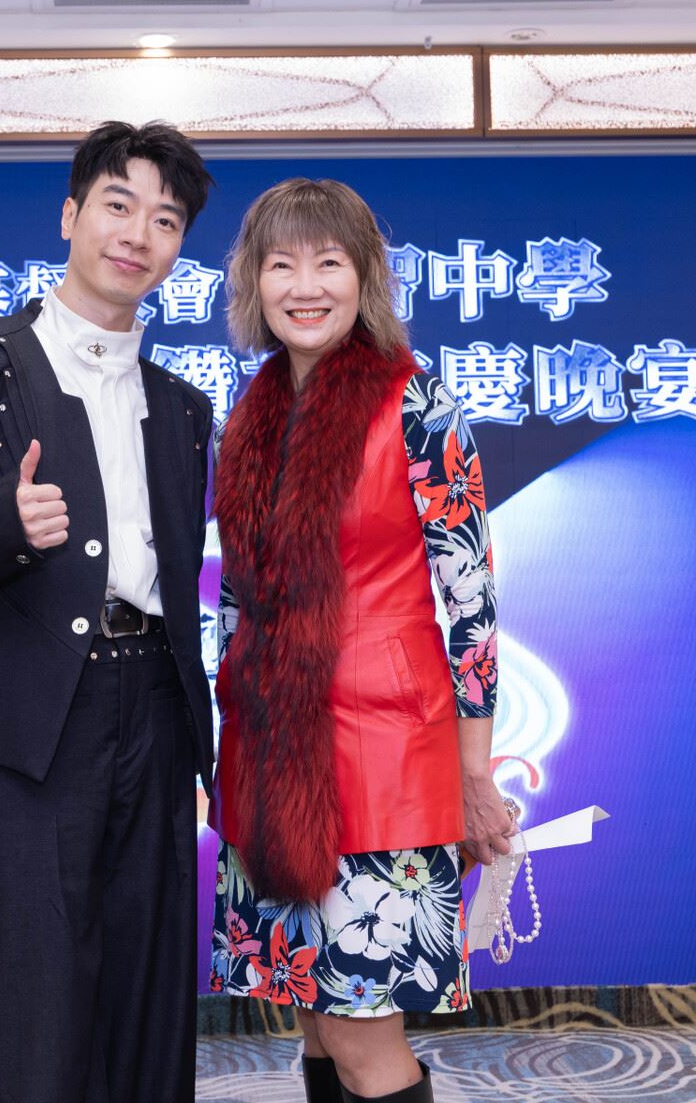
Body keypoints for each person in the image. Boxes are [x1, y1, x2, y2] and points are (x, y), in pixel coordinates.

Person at [0, 121, 215, 1103]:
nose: (137, 234)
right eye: (117, 205)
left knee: (150, 985)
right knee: (35, 985)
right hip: (35, 717)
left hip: (156, 706)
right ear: (69, 215)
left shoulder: (182, 407)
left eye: (165, 219)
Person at [208, 178, 518, 1103]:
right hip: (269, 757)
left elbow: (471, 603)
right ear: (253, 282)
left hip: (381, 755)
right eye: (281, 265)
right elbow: (234, 599)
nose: (304, 286)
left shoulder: (417, 404)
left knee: (359, 1035)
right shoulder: (251, 411)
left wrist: (472, 773)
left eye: (328, 263)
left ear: (366, 278)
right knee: (308, 1011)